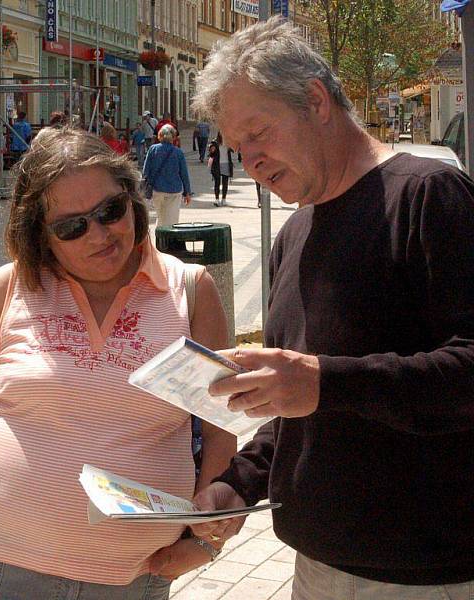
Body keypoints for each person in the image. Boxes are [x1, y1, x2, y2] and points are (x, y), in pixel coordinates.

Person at [191, 17, 474, 600]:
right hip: (315, 568)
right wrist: (236, 486)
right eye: (238, 148)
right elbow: (301, 413)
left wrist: (326, 382)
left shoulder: (428, 197)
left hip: (425, 576)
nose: (251, 161)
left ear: (316, 101)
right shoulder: (291, 238)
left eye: (259, 133)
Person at [0, 126, 237, 600]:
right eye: (72, 226)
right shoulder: (7, 289)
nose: (99, 234)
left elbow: (220, 433)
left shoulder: (192, 292)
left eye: (110, 211)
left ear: (132, 199)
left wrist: (203, 542)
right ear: (40, 233)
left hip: (129, 578)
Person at [142, 124, 191, 228]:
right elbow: (184, 174)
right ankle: (168, 241)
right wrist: (187, 192)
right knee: (171, 221)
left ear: (159, 136)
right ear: (173, 137)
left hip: (157, 189)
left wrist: (145, 187)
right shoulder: (178, 152)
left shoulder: (152, 149)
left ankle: (160, 238)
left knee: (160, 217)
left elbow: (145, 171)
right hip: (174, 190)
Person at [207, 133, 233, 206]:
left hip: (226, 164)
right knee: (217, 183)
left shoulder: (229, 142)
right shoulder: (215, 142)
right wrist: (211, 149)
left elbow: (234, 150)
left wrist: (231, 146)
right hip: (216, 164)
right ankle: (217, 199)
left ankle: (224, 199)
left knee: (225, 183)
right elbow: (211, 154)